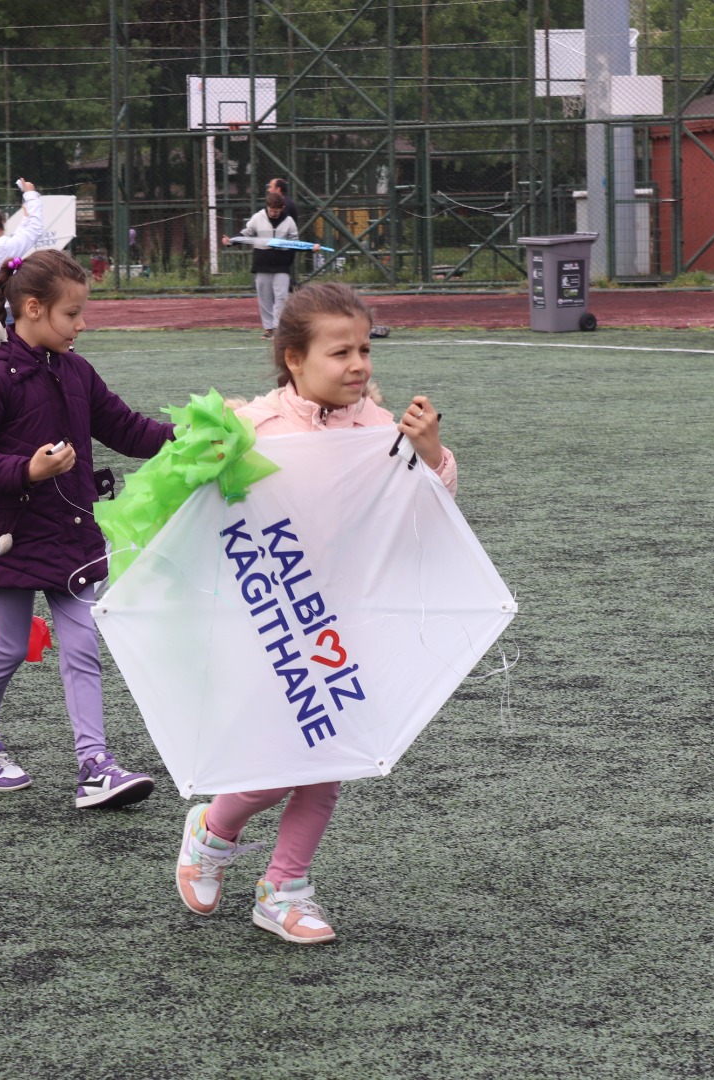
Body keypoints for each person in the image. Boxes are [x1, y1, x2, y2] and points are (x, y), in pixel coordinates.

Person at [173, 282, 456, 945]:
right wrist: (208, 447)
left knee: (328, 763)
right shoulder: (257, 425)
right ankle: (214, 830)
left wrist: (432, 454)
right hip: (268, 621)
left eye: (364, 349)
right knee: (284, 760)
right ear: (294, 359)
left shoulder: (381, 430)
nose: (358, 364)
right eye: (340, 352)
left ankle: (283, 887)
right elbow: (188, 502)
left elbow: (432, 510)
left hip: (343, 625)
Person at [0, 248, 174, 809]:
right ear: (32, 308)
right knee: (10, 644)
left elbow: (127, 428)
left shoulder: (76, 371)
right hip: (12, 533)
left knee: (81, 646)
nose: (81, 324)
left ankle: (95, 765)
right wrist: (27, 469)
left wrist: (189, 439)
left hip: (71, 532)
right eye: (72, 314)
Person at [226, 191, 298, 339]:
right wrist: (231, 241)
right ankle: (268, 329)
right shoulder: (258, 217)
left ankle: (278, 328)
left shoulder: (289, 221)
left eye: (276, 211)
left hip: (281, 265)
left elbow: (295, 242)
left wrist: (307, 249)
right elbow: (247, 233)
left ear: (282, 208)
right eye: (271, 210)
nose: (273, 213)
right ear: (267, 207)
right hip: (262, 263)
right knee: (264, 297)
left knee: (281, 296)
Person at [0, 179, 44, 320]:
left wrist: (25, 219)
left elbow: (15, 239)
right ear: (1, 223)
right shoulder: (5, 247)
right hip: (3, 312)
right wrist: (30, 195)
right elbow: (35, 228)